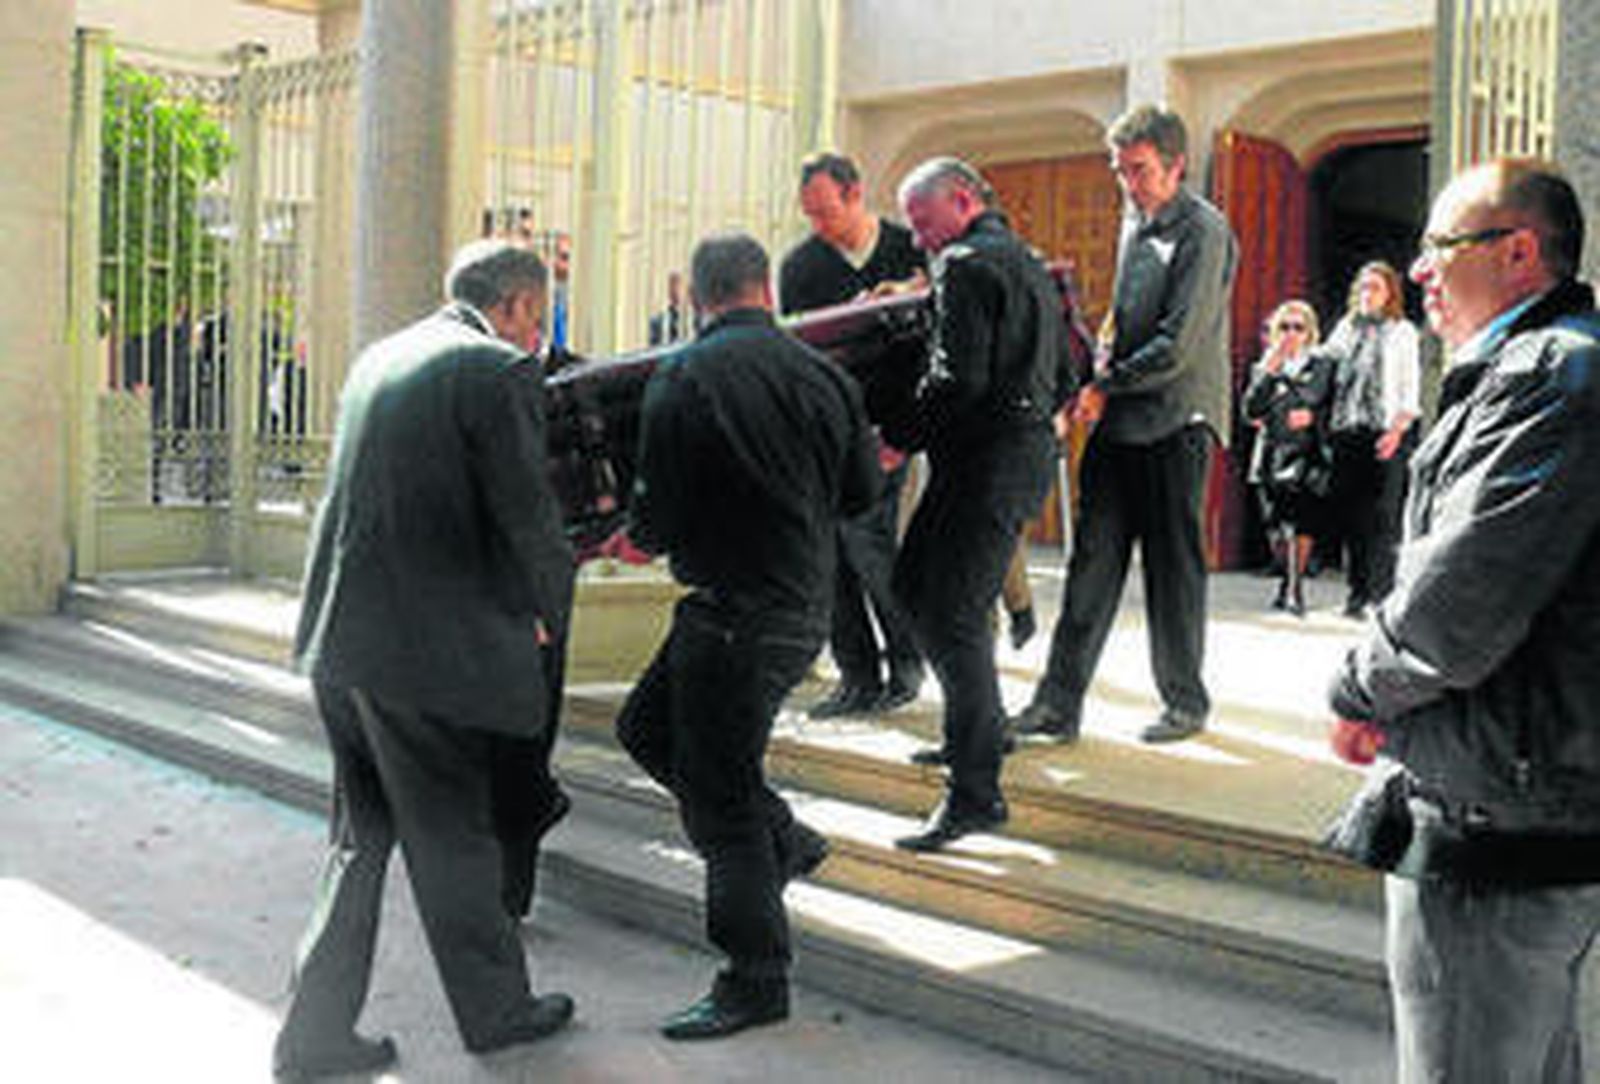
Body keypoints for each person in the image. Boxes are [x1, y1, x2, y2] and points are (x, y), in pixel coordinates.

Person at [274, 240, 576, 1080]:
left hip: (344, 642)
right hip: (419, 652)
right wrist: (548, 613)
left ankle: (313, 1034)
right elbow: (526, 514)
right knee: (455, 842)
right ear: (520, 305)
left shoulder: (384, 353)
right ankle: (499, 1014)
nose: (538, 337)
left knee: (358, 842)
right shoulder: (493, 369)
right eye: (539, 318)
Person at [1327, 158, 1600, 1082]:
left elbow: (1457, 605)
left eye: (1443, 244)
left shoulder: (1554, 377)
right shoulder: (1529, 369)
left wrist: (1357, 685)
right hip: (1506, 793)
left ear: (1521, 251)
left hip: (1500, 816)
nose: (1419, 270)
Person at [614, 232, 879, 1039]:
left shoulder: (682, 375)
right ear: (766, 288)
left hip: (733, 612)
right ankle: (786, 840)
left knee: (719, 799)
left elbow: (653, 521)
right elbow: (861, 495)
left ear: (697, 296)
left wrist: (633, 537)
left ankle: (756, 977)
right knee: (644, 729)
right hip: (798, 608)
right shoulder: (826, 376)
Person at [1010, 104, 1238, 746]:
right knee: (1092, 565)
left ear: (1176, 166)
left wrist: (1102, 386)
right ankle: (1058, 705)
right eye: (1120, 172)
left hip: (1177, 420)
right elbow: (1127, 320)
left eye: (1138, 172)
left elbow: (1180, 342)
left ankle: (1185, 702)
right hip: (1121, 417)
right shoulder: (1134, 221)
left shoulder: (1205, 230)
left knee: (1173, 570)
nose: (1127, 185)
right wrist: (1095, 358)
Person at [890, 156, 1069, 852]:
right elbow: (1068, 372)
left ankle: (976, 791)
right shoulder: (1027, 260)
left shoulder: (963, 264)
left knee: (954, 616)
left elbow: (955, 377)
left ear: (960, 201)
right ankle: (978, 728)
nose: (915, 238)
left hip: (986, 463)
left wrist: (896, 438)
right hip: (1010, 457)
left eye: (920, 220)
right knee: (914, 587)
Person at [779, 151, 928, 717]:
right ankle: (857, 675)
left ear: (855, 193)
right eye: (810, 214)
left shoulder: (907, 248)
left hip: (890, 422)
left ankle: (906, 659)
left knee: (870, 543)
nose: (819, 224)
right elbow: (803, 351)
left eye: (826, 211)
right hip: (826, 430)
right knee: (831, 555)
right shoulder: (801, 268)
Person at [1322, 260, 1421, 618]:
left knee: (1382, 518)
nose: (1367, 294)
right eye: (1363, 287)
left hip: (1387, 432)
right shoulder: (1345, 329)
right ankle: (1355, 593)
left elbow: (1409, 388)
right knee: (1352, 517)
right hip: (1348, 431)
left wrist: (1396, 431)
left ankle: (1381, 596)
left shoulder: (1402, 331)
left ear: (1390, 293)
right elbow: (1324, 371)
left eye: (1375, 288)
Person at [1243, 299, 1334, 616]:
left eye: (1299, 327)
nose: (1291, 333)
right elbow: (1251, 410)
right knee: (1274, 526)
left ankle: (1296, 591)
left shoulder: (1322, 365)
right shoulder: (1264, 366)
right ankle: (1285, 580)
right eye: (1285, 326)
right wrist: (1270, 372)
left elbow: (1328, 404)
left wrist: (1313, 416)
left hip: (1306, 452)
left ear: (1310, 333)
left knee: (1300, 522)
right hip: (1270, 452)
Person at [648, 269, 687, 347]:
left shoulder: (693, 319)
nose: (675, 291)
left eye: (678, 286)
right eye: (672, 286)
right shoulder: (657, 321)